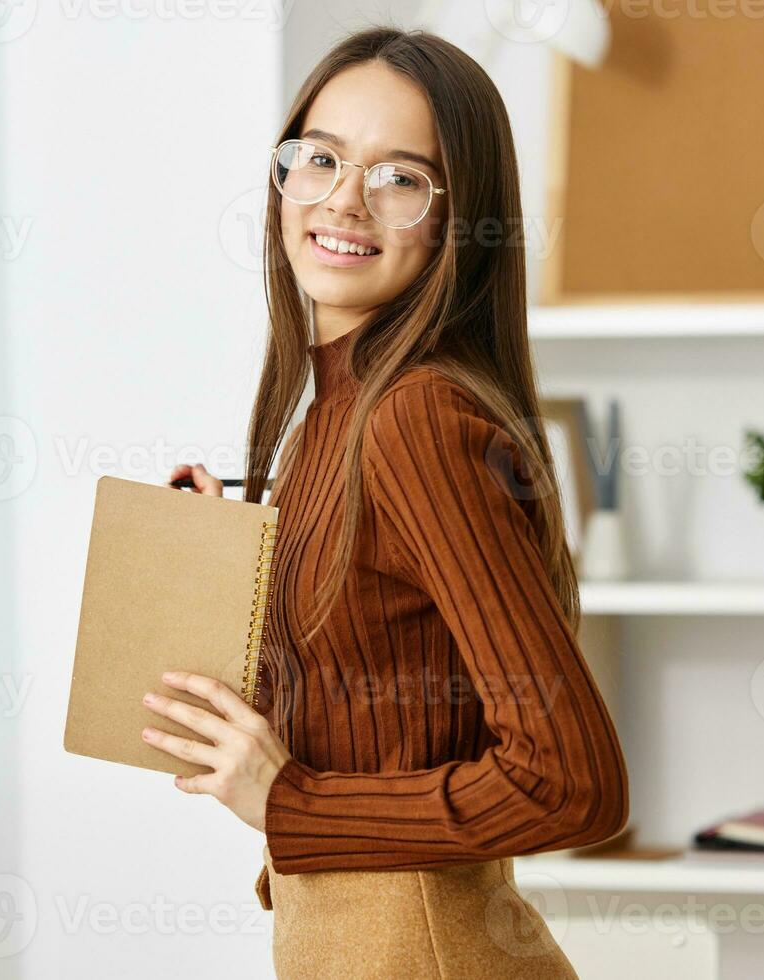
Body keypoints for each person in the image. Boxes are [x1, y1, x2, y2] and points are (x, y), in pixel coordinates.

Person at [151, 26, 628, 978]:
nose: (344, 199)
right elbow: (376, 689)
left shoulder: (413, 417)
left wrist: (290, 802)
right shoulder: (336, 410)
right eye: (320, 158)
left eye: (400, 178)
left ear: (462, 218)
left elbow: (571, 783)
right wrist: (236, 563)